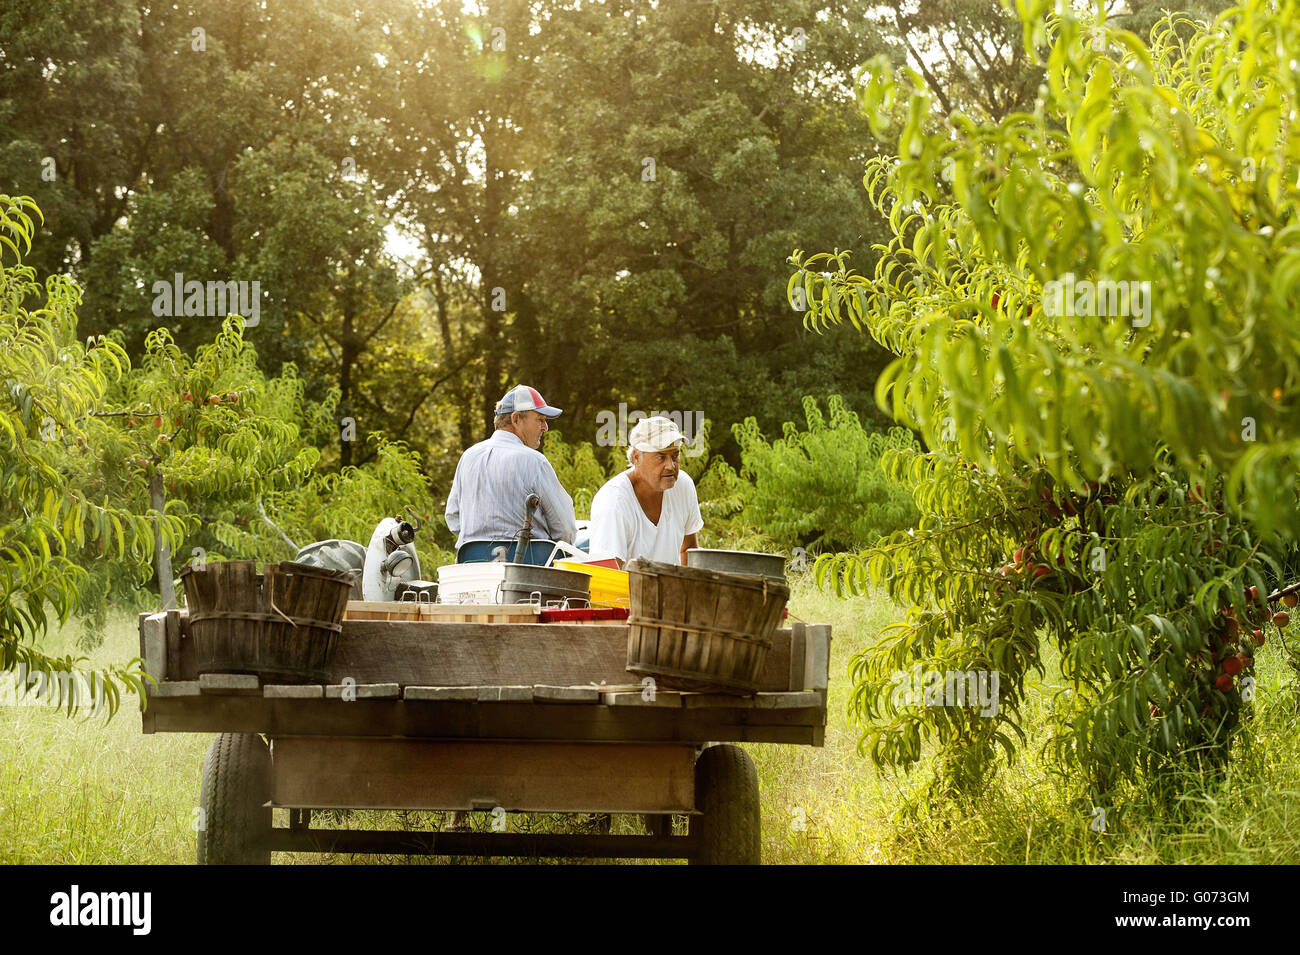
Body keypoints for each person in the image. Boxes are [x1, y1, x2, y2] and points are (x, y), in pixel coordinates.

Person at [445, 384, 577, 564]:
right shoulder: (535, 461)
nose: (545, 427)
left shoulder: (468, 457)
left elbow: (453, 517)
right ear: (516, 419)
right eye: (539, 419)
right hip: (529, 576)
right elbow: (565, 529)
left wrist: (484, 545)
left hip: (472, 572)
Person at [588, 416, 703, 567]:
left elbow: (688, 550)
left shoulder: (683, 485)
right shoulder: (614, 501)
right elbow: (605, 574)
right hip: (627, 590)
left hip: (671, 588)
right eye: (661, 457)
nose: (670, 465)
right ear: (637, 457)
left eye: (675, 455)